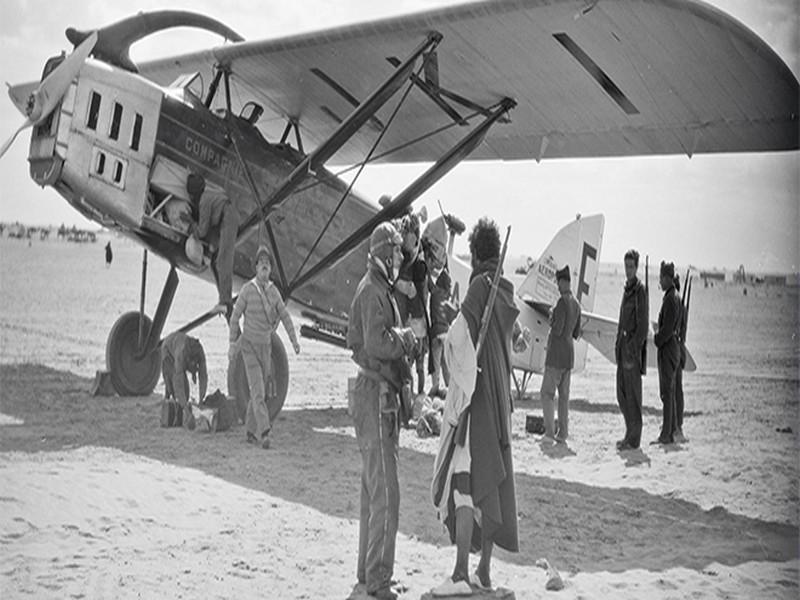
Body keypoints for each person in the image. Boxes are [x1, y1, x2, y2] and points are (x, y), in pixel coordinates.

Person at [431, 218, 530, 596]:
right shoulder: (506, 292)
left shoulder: (480, 287)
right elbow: (516, 343)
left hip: (479, 405)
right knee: (492, 483)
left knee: (464, 483)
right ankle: (485, 569)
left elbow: (458, 335)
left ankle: (460, 573)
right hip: (501, 407)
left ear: (475, 254)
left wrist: (453, 370)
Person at [346, 222, 417, 600]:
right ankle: (377, 580)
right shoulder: (374, 290)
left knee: (372, 490)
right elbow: (376, 343)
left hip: (373, 395)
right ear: (382, 254)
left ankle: (367, 570)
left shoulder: (374, 288)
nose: (398, 259)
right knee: (387, 494)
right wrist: (406, 339)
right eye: (395, 253)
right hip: (376, 396)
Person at [228, 245, 300, 450]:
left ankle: (250, 431)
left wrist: (294, 341)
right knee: (258, 390)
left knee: (259, 392)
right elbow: (235, 318)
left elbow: (285, 316)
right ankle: (265, 433)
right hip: (249, 346)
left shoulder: (273, 292)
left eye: (267, 265)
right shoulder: (247, 290)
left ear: (270, 270)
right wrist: (232, 344)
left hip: (266, 348)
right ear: (256, 268)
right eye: (261, 264)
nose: (264, 267)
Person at [186, 172, 240, 317]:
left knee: (223, 261)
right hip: (225, 218)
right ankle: (224, 300)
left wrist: (191, 223)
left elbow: (202, 232)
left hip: (227, 218)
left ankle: (225, 303)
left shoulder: (204, 202)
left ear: (193, 195)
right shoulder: (208, 196)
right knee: (217, 260)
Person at [539, 265, 582, 443]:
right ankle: (563, 433)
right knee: (564, 398)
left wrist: (552, 317)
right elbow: (576, 333)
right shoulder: (577, 304)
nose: (557, 286)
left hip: (556, 355)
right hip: (569, 356)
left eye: (558, 282)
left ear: (563, 282)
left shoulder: (562, 303)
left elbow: (557, 329)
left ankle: (549, 433)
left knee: (546, 394)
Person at [614, 249, 648, 451]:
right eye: (626, 266)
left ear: (637, 267)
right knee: (621, 394)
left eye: (631, 267)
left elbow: (642, 325)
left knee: (633, 397)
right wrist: (619, 345)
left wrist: (633, 349)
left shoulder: (639, 291)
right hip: (622, 348)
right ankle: (629, 433)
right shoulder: (628, 289)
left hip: (631, 352)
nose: (628, 270)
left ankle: (634, 439)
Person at [393, 211, 429, 394]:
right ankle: (418, 395)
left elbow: (411, 290)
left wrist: (394, 282)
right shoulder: (418, 260)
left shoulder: (414, 264)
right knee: (417, 366)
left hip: (413, 324)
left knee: (411, 364)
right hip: (418, 323)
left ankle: (413, 395)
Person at [422, 217, 454, 398]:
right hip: (445, 331)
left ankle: (435, 387)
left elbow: (431, 288)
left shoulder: (436, 291)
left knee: (435, 362)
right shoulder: (446, 288)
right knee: (444, 362)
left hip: (437, 330)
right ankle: (449, 389)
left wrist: (426, 273)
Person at [652, 261, 681, 445]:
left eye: (661, 278)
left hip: (668, 348)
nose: (659, 282)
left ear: (666, 277)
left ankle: (666, 434)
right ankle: (671, 430)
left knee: (666, 393)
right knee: (669, 392)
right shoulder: (673, 296)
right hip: (673, 347)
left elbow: (668, 328)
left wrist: (656, 338)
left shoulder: (670, 299)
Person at [161, 331, 208, 427]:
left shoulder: (199, 351)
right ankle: (171, 414)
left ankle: (179, 414)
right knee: (174, 390)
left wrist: (201, 401)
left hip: (178, 346)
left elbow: (203, 376)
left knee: (184, 394)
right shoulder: (180, 355)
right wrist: (186, 410)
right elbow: (178, 385)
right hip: (168, 351)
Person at [673, 275, 687, 443]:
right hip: (679, 349)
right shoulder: (681, 305)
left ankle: (677, 425)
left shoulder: (676, 304)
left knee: (675, 389)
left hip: (675, 349)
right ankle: (677, 424)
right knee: (677, 389)